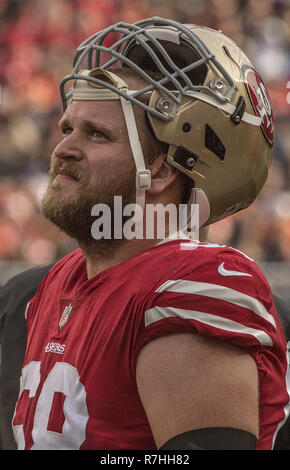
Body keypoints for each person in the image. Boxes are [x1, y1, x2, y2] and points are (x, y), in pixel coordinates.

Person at [10, 17, 289, 450]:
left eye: (96, 134)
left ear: (160, 169)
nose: (63, 148)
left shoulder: (194, 284)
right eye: (68, 128)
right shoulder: (54, 283)